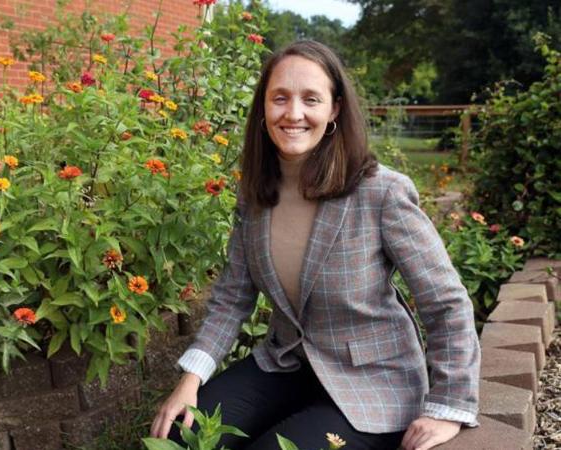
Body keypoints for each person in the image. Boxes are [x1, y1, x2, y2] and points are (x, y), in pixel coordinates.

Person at [150, 40, 480, 450]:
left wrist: (448, 407)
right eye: (280, 98)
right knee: (180, 438)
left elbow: (445, 301)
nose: (293, 113)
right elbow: (232, 297)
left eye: (311, 99)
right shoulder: (255, 195)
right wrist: (191, 380)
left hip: (373, 381)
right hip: (287, 364)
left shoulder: (381, 192)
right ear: (264, 108)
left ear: (335, 109)